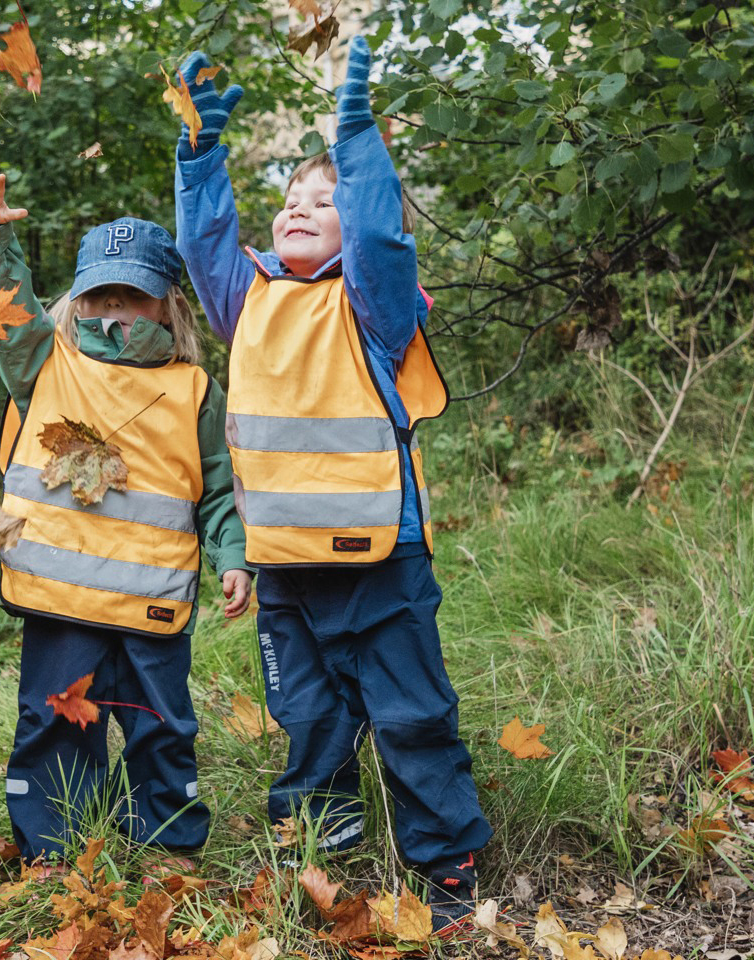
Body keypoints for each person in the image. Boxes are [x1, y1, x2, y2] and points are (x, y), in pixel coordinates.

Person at [171, 39, 492, 930]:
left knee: (410, 714)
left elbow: (385, 240)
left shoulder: (374, 304)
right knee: (307, 718)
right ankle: (324, 839)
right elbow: (203, 245)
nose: (298, 211)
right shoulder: (249, 300)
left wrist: (359, 149)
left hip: (380, 558)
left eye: (324, 201)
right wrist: (199, 160)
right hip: (287, 566)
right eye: (289, 201)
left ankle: (448, 864)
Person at [0, 170, 252, 863]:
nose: (114, 309)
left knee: (161, 729)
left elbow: (215, 490)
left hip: (152, 603)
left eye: (133, 295)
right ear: (76, 301)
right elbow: (6, 308)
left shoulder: (193, 390)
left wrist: (232, 556)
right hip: (61, 599)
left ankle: (169, 847)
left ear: (166, 307)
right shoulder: (45, 366)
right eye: (99, 294)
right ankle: (52, 853)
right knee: (55, 726)